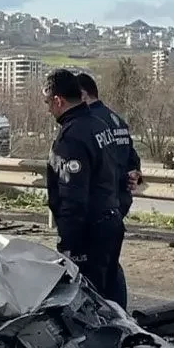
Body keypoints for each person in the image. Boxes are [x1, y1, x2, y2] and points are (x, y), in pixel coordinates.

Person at [42, 68, 124, 302]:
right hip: (111, 220)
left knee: (89, 300)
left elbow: (72, 194)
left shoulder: (71, 137)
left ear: (58, 100)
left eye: (48, 102)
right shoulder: (99, 124)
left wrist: (67, 242)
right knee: (109, 293)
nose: (48, 109)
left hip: (88, 232)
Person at [76, 72, 141, 309]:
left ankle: (105, 320)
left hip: (101, 205)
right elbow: (132, 158)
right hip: (119, 203)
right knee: (111, 264)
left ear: (83, 95)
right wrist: (135, 173)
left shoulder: (90, 123)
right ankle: (119, 315)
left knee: (95, 270)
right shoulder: (115, 119)